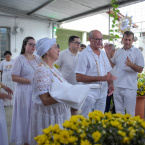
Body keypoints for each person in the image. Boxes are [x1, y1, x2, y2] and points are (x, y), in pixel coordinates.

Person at [31, 38, 71, 145]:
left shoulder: (52, 68)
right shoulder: (42, 70)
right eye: (55, 47)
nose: (59, 50)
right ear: (47, 51)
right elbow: (45, 100)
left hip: (58, 114)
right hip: (50, 117)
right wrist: (67, 95)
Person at [75, 30, 116, 117]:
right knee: (86, 118)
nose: (100, 42)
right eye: (97, 39)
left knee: (99, 118)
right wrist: (101, 78)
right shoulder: (84, 54)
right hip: (90, 92)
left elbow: (108, 71)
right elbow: (78, 77)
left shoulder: (103, 53)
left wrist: (111, 84)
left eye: (101, 39)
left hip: (103, 91)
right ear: (90, 39)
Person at [105, 30, 144, 116]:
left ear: (133, 40)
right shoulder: (118, 51)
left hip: (130, 87)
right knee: (119, 112)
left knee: (130, 112)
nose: (127, 42)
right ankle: (121, 129)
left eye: (129, 40)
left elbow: (140, 69)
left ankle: (130, 129)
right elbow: (112, 65)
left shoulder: (137, 52)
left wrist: (131, 65)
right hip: (117, 86)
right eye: (126, 39)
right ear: (122, 39)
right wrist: (108, 54)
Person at [10, 36, 40, 145]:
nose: (33, 46)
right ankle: (24, 140)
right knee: (24, 116)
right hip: (23, 92)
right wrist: (30, 81)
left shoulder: (38, 58)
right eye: (30, 44)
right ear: (24, 45)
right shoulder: (19, 59)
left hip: (35, 92)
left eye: (34, 44)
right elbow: (14, 77)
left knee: (34, 115)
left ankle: (33, 138)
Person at [104, 44, 116, 113]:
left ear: (114, 51)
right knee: (106, 105)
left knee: (116, 106)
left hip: (116, 87)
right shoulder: (103, 59)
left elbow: (111, 66)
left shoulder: (116, 60)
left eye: (109, 50)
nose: (106, 52)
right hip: (106, 86)